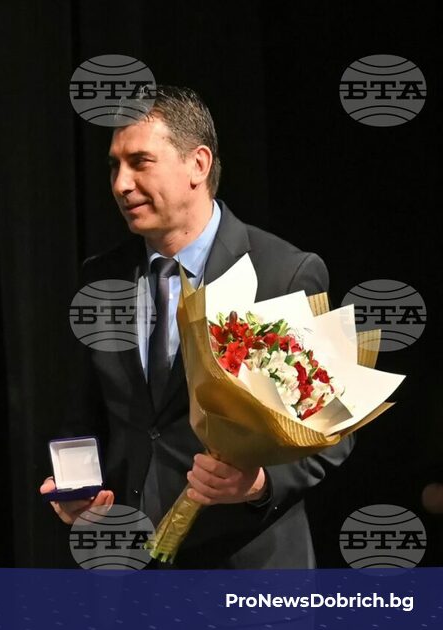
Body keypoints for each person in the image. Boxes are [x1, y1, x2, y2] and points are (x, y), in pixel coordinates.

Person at [39, 86, 353, 568]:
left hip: (247, 569)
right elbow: (86, 414)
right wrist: (74, 488)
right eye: (114, 166)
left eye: (140, 162)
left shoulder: (284, 272)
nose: (121, 184)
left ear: (198, 165)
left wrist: (259, 483)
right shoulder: (101, 279)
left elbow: (335, 430)